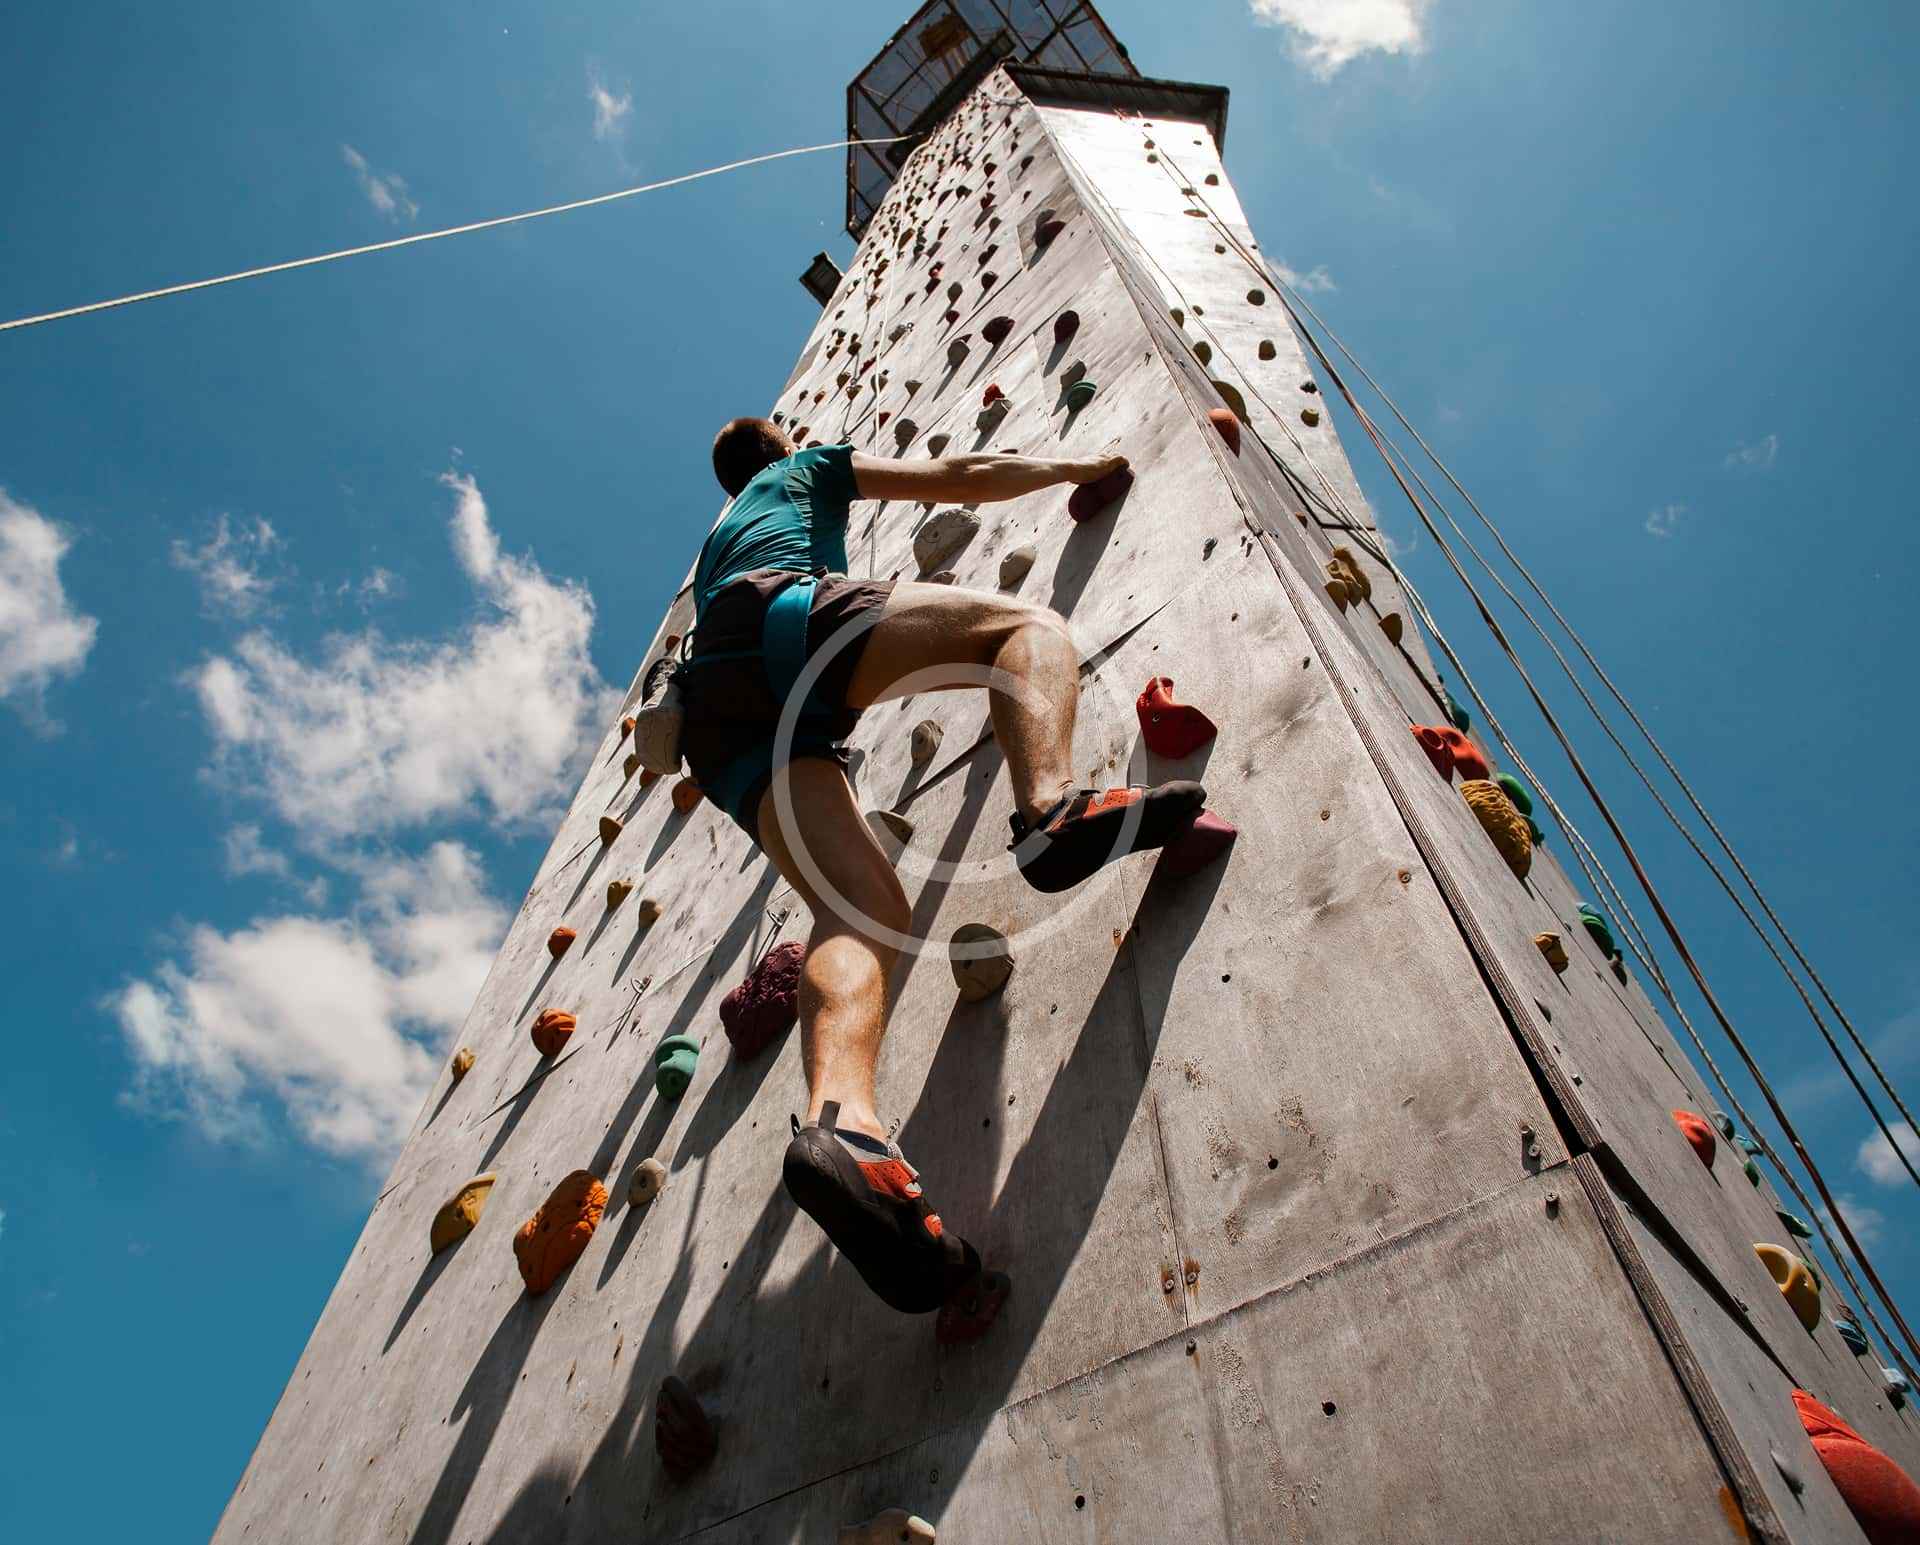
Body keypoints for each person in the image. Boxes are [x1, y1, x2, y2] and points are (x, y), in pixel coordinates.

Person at [676, 417, 1207, 1318]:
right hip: (782, 624)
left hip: (714, 725)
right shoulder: (804, 471)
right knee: (1022, 632)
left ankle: (848, 1131)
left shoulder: (716, 542)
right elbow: (962, 470)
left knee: (858, 908)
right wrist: (1076, 463)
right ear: (782, 447)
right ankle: (1052, 808)